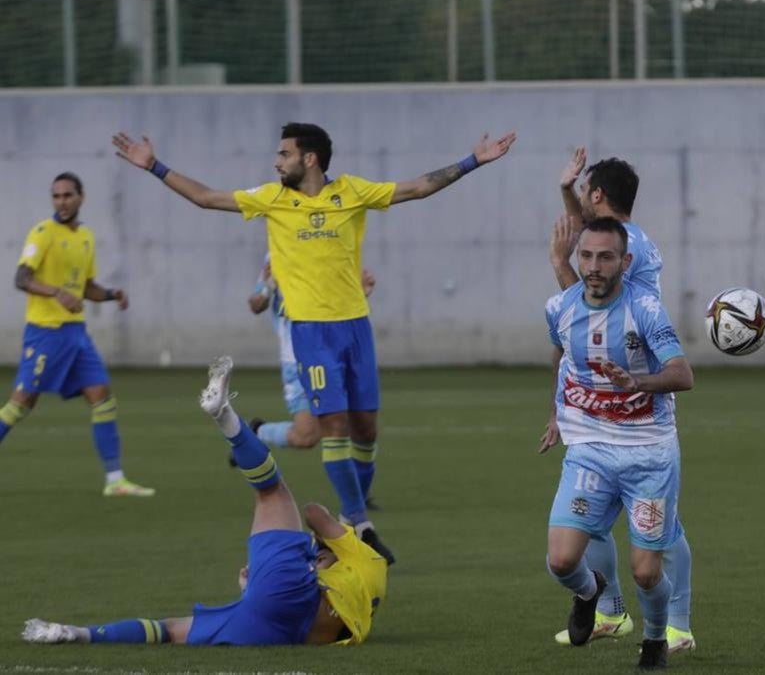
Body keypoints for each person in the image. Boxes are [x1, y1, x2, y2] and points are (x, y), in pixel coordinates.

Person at [112, 123, 517, 564]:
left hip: (356, 327)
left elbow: (418, 188)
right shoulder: (272, 198)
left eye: (284, 153)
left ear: (310, 158)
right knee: (333, 428)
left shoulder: (352, 192)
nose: (276, 161)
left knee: (366, 429)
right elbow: (207, 198)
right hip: (311, 333)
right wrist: (153, 165)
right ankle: (360, 526)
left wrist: (473, 160)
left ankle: (349, 520)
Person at [22, 356, 388, 646]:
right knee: (170, 631)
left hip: (293, 600)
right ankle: (73, 633)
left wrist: (322, 543)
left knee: (272, 491)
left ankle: (224, 415)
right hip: (274, 628)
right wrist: (258, 585)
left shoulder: (368, 559)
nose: (321, 556)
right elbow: (305, 608)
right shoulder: (364, 596)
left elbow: (314, 513)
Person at [546, 149, 696, 652]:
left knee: (660, 533)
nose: (590, 259)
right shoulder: (613, 242)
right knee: (588, 521)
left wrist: (559, 259)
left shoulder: (632, 254)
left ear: (598, 197)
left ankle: (675, 624)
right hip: (594, 404)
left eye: (584, 194)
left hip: (635, 404)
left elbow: (595, 313)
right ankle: (609, 611)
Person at [0, 172, 154, 498]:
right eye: (56, 196)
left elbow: (85, 288)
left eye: (67, 195)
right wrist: (56, 293)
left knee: (102, 398)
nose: (62, 202)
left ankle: (115, 480)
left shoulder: (85, 236)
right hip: (45, 334)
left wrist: (112, 294)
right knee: (21, 403)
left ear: (81, 197)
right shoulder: (42, 233)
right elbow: (21, 278)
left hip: (76, 335)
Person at [241, 255, 382, 510]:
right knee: (307, 436)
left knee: (360, 426)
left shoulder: (330, 246)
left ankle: (358, 498)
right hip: (297, 360)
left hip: (338, 352)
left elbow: (339, 303)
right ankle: (258, 433)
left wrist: (360, 295)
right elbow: (255, 304)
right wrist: (269, 285)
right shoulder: (277, 254)